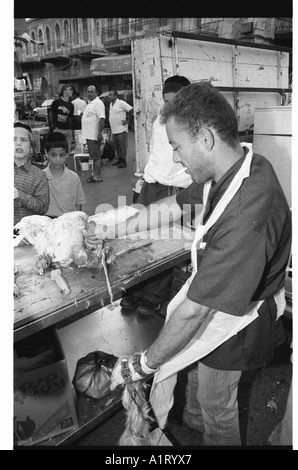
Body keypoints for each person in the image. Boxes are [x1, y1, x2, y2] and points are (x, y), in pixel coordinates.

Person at [86, 82, 292, 446]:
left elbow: (196, 311)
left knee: (217, 404)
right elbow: (174, 205)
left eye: (177, 147)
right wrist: (111, 229)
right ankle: (195, 424)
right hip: (221, 296)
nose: (176, 158)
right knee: (198, 383)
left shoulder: (246, 214)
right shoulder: (237, 166)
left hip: (237, 321)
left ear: (207, 139)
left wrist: (141, 365)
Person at [120, 76, 192, 316]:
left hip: (175, 194)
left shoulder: (194, 123)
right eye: (166, 100)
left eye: (176, 100)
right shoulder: (159, 122)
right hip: (150, 188)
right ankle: (131, 291)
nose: (170, 106)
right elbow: (153, 155)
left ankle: (152, 297)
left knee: (164, 247)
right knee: (137, 242)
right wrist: (140, 186)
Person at [14, 122, 49, 226]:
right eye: (13, 139)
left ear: (31, 146)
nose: (18, 143)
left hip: (28, 234)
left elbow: (43, 207)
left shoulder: (39, 175)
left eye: (23, 140)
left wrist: (20, 195)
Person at [43, 132, 86, 218]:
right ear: (46, 153)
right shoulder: (40, 177)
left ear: (67, 154)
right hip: (47, 224)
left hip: (69, 222)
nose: (58, 159)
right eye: (53, 155)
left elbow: (79, 204)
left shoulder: (74, 178)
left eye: (61, 155)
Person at [81, 85, 105, 183]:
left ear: (96, 93)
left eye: (91, 92)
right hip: (89, 135)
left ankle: (97, 176)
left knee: (96, 156)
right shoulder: (90, 103)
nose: (89, 93)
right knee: (93, 157)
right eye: (88, 92)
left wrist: (99, 133)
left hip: (94, 135)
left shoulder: (98, 104)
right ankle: (94, 174)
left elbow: (102, 118)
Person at [108, 90, 133, 168]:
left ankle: (124, 161)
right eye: (109, 95)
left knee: (122, 146)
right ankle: (120, 159)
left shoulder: (121, 103)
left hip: (121, 129)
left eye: (111, 95)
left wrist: (128, 120)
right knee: (117, 146)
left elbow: (131, 110)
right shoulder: (111, 104)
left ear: (115, 96)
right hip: (114, 129)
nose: (109, 96)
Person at [49, 85, 74, 152]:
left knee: (67, 149)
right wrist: (52, 125)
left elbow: (70, 117)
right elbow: (51, 114)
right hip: (58, 129)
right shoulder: (56, 102)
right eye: (70, 89)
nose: (72, 91)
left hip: (68, 130)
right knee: (58, 149)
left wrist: (71, 129)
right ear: (65, 91)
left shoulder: (71, 105)